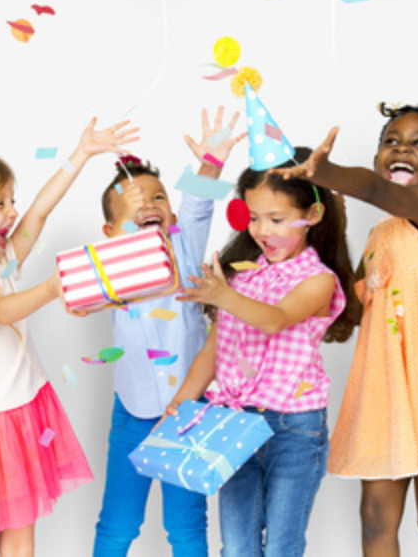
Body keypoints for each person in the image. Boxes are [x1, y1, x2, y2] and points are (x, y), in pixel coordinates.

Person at [0, 117, 138, 557]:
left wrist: (82, 153)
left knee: (21, 534)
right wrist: (52, 288)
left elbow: (39, 211)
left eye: (9, 200)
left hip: (22, 413)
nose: (12, 211)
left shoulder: (0, 263)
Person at [278, 104, 418, 556]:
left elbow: (378, 189)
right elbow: (350, 310)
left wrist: (328, 170)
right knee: (376, 518)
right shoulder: (380, 235)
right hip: (387, 393)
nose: (401, 149)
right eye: (391, 141)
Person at [169, 147, 359, 556]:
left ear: (313, 216)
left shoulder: (318, 279)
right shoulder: (240, 273)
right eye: (254, 217)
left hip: (294, 428)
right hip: (233, 422)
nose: (261, 230)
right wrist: (183, 399)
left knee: (281, 548)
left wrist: (222, 295)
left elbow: (275, 318)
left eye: (276, 219)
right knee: (237, 547)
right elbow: (214, 346)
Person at [91, 108, 244, 556]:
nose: (148, 205)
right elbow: (78, 297)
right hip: (132, 411)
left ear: (170, 212)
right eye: (134, 204)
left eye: (158, 198)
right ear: (110, 232)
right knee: (118, 524)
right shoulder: (108, 268)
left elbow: (199, 204)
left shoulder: (184, 244)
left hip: (188, 410)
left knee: (186, 526)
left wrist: (212, 161)